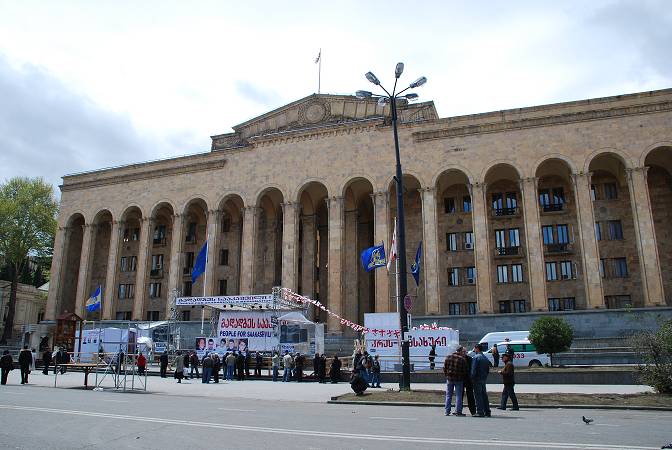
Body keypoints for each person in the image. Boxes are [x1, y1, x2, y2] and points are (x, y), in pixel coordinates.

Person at [443, 346, 468, 416]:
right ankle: (458, 411)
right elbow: (465, 371)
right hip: (459, 379)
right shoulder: (462, 359)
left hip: (449, 379)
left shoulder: (448, 357)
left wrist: (447, 375)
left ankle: (447, 411)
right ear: (460, 351)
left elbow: (444, 368)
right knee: (458, 395)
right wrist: (462, 377)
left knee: (448, 395)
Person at [470, 344, 491, 417]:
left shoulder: (475, 357)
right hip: (483, 378)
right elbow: (488, 369)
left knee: (478, 396)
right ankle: (487, 411)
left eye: (475, 349)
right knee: (484, 395)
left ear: (477, 349)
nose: (474, 350)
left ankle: (480, 411)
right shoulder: (485, 358)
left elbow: (473, 370)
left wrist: (472, 378)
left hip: (477, 379)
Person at [460, 348, 476, 416]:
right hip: (461, 379)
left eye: (465, 352)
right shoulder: (459, 358)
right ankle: (459, 410)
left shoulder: (470, 358)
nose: (464, 353)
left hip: (468, 379)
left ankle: (473, 411)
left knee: (470, 395)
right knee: (460, 395)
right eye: (463, 351)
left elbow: (472, 368)